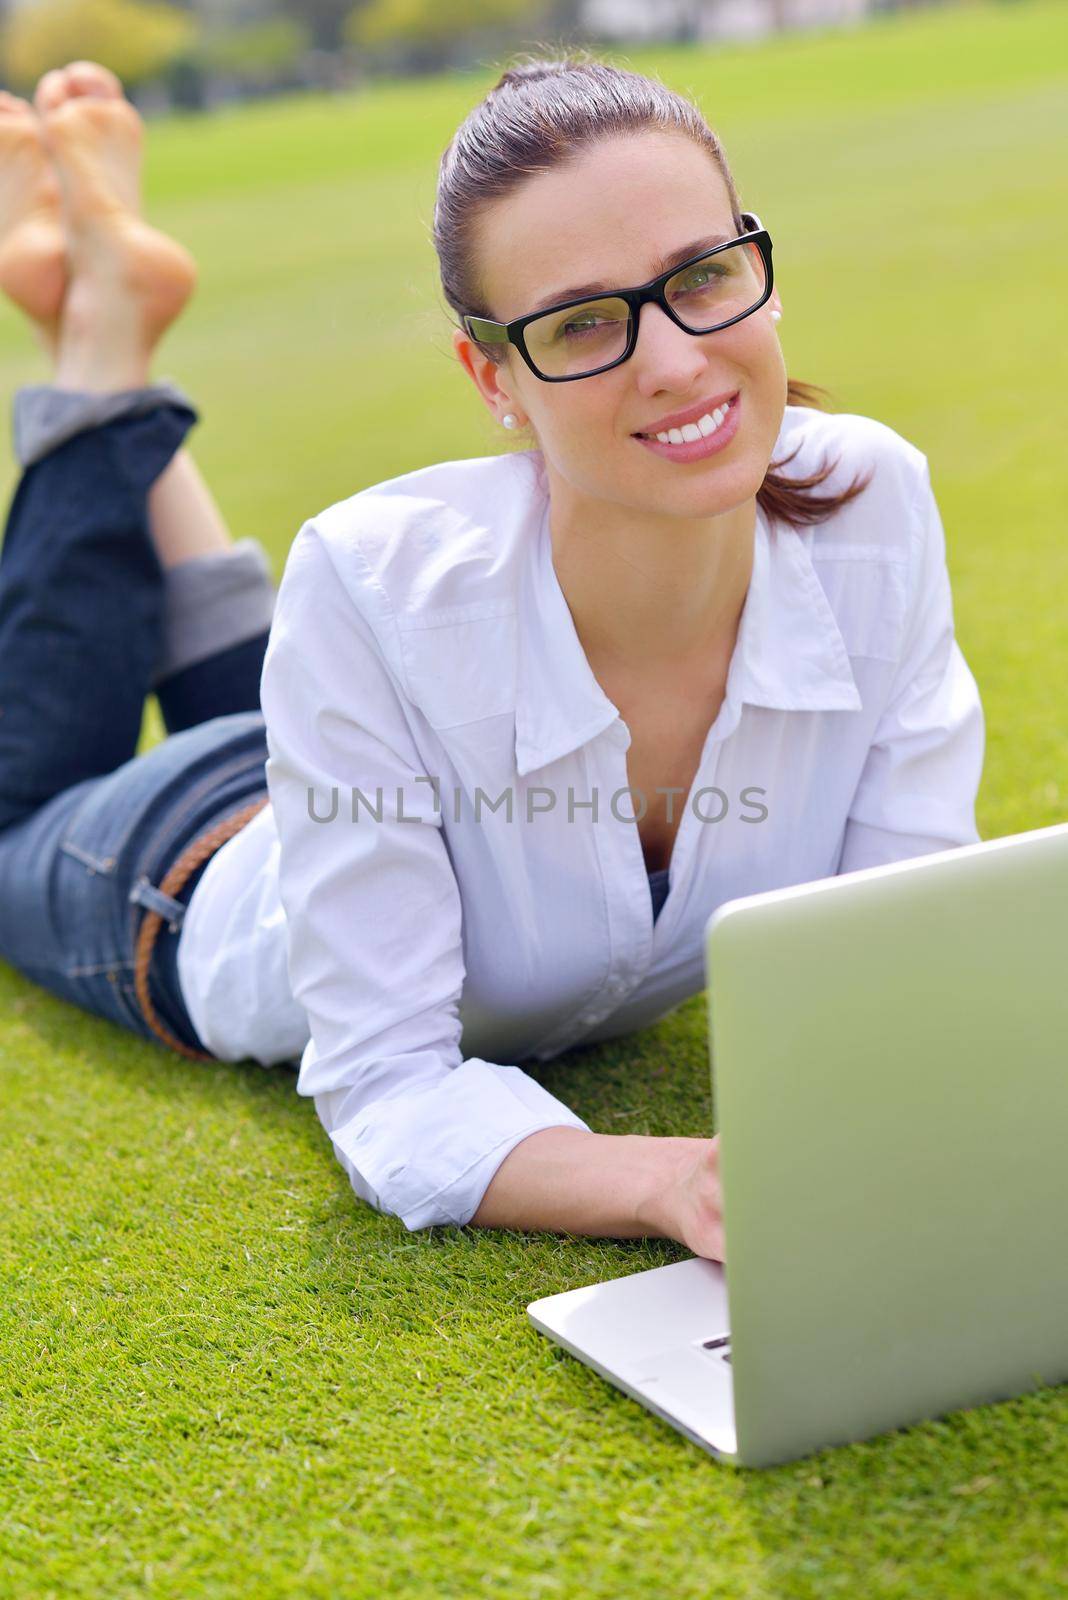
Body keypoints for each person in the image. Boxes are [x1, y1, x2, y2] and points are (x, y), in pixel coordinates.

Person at [0, 56, 984, 1263]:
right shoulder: (373, 585)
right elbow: (390, 1083)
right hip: (189, 867)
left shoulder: (874, 502)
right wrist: (668, 1180)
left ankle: (118, 346)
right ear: (494, 378)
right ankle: (99, 349)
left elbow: (913, 947)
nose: (675, 360)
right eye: (582, 322)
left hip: (350, 772)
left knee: (332, 675)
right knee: (15, 809)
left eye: (704, 275)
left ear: (758, 271)